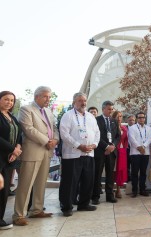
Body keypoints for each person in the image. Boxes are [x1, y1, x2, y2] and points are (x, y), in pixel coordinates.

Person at [13, 86, 59, 226]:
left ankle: (36, 210)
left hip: (47, 151)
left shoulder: (48, 111)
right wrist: (47, 141)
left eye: (49, 97)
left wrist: (55, 140)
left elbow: (54, 127)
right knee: (25, 184)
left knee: (41, 183)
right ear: (36, 96)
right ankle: (19, 215)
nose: (48, 99)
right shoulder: (26, 109)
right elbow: (28, 129)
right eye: (45, 96)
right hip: (33, 151)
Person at [59, 92, 100, 216]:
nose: (83, 103)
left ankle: (84, 204)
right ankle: (66, 207)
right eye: (80, 100)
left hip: (89, 153)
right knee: (70, 182)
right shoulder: (68, 115)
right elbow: (64, 134)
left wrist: (94, 145)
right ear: (74, 102)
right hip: (73, 154)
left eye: (84, 100)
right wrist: (79, 145)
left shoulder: (91, 117)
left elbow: (97, 133)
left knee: (88, 181)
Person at [0, 91, 22, 229]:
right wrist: (12, 149)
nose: (9, 102)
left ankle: (0, 219)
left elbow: (19, 134)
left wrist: (18, 148)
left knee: (5, 191)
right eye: (6, 99)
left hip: (10, 158)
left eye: (12, 100)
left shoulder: (12, 117)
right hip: (1, 155)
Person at [92, 101, 120, 204]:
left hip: (112, 152)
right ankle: (95, 196)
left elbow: (117, 136)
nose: (111, 111)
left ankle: (109, 195)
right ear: (103, 109)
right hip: (100, 151)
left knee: (110, 174)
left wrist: (113, 146)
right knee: (97, 173)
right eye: (109, 109)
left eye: (112, 109)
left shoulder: (114, 121)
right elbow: (95, 136)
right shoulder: (96, 120)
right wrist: (106, 146)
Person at [128, 112, 151, 197]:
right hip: (135, 153)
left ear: (144, 119)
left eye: (143, 117)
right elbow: (132, 139)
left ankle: (142, 189)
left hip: (145, 153)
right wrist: (139, 148)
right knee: (134, 172)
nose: (141, 119)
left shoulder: (149, 128)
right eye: (139, 118)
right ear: (136, 119)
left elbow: (150, 138)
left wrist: (144, 146)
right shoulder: (132, 128)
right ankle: (134, 191)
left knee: (143, 172)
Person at [112, 111, 128, 198]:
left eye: (121, 116)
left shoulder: (124, 128)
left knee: (120, 170)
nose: (119, 118)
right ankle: (111, 189)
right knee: (112, 170)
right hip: (113, 150)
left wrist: (124, 149)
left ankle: (118, 189)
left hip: (121, 151)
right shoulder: (110, 127)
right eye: (117, 116)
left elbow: (126, 140)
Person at [126, 114, 135, 190]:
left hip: (135, 150)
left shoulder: (137, 129)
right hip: (126, 149)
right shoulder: (124, 128)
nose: (131, 121)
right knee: (127, 165)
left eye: (133, 120)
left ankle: (134, 180)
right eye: (130, 120)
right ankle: (128, 180)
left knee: (134, 166)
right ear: (127, 121)